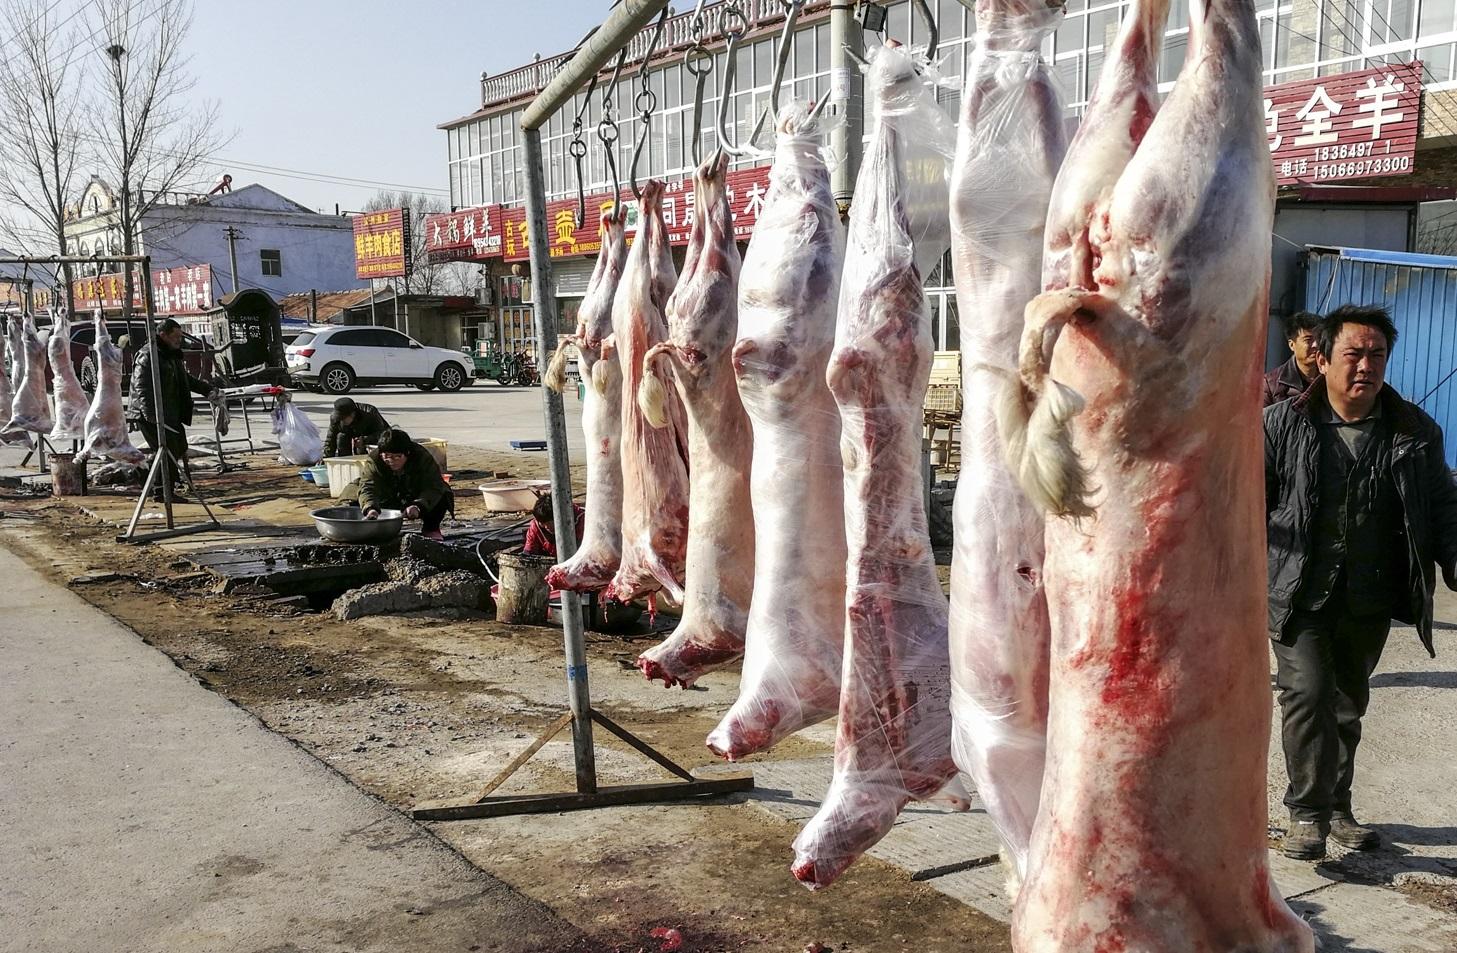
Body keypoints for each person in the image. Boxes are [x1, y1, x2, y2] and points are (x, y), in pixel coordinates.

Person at [1264, 304, 1457, 860]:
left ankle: (1338, 806)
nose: (1365, 366)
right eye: (1353, 353)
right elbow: (1246, 507)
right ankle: (1306, 813)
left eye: (1376, 355)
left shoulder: (1415, 431)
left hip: (1370, 592)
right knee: (1308, 693)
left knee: (1348, 702)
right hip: (1299, 589)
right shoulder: (1281, 424)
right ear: (1321, 358)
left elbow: (1444, 507)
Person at [128, 318, 216, 486]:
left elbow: (186, 380)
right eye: (175, 336)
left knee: (179, 445)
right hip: (151, 414)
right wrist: (151, 416)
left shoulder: (171, 355)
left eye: (180, 336)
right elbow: (142, 388)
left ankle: (149, 476)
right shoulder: (148, 355)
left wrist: (207, 390)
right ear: (163, 335)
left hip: (170, 412)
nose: (179, 340)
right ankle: (162, 489)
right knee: (166, 450)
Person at [348, 428, 453, 541]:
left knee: (443, 494)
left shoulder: (421, 457)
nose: (391, 461)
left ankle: (431, 529)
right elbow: (368, 486)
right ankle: (372, 530)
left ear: (407, 454)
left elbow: (433, 486)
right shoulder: (374, 460)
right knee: (354, 499)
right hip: (387, 498)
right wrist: (370, 508)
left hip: (414, 496)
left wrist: (418, 506)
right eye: (386, 456)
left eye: (397, 457)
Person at [1263, 310, 1324, 407]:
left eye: (1319, 339)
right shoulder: (1271, 384)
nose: (1316, 345)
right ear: (1292, 345)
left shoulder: (1331, 377)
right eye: (1308, 340)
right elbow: (1263, 420)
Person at [323, 397, 390, 458]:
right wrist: (325, 458)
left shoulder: (370, 413)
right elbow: (330, 439)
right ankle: (345, 461)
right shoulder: (335, 419)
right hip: (351, 436)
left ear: (352, 414)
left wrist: (365, 440)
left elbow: (382, 434)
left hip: (370, 439)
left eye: (343, 418)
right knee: (341, 437)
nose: (342, 421)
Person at [522, 494, 585, 558]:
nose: (546, 527)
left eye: (549, 523)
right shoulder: (535, 526)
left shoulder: (582, 522)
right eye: (542, 524)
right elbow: (529, 551)